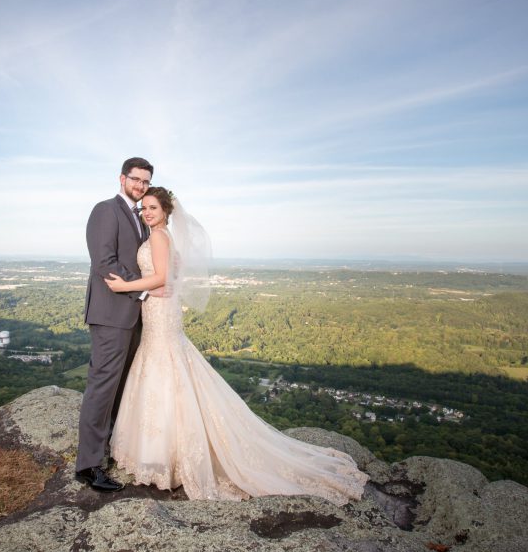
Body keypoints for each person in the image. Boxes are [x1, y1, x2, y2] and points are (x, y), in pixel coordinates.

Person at [104, 187, 369, 504]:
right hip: (161, 310)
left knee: (163, 368)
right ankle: (162, 450)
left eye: (153, 208)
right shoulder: (164, 237)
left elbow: (161, 277)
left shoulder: (159, 237)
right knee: (165, 366)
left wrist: (126, 286)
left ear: (165, 211)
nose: (147, 213)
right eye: (143, 208)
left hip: (161, 313)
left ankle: (166, 456)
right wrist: (156, 288)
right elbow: (170, 276)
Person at [76, 157, 155, 492]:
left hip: (133, 315)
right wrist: (144, 289)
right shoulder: (106, 210)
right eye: (135, 180)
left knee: (122, 386)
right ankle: (88, 465)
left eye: (145, 182)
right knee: (103, 386)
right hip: (111, 313)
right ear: (122, 178)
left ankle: (107, 448)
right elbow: (104, 263)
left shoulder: (141, 218)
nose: (140, 186)